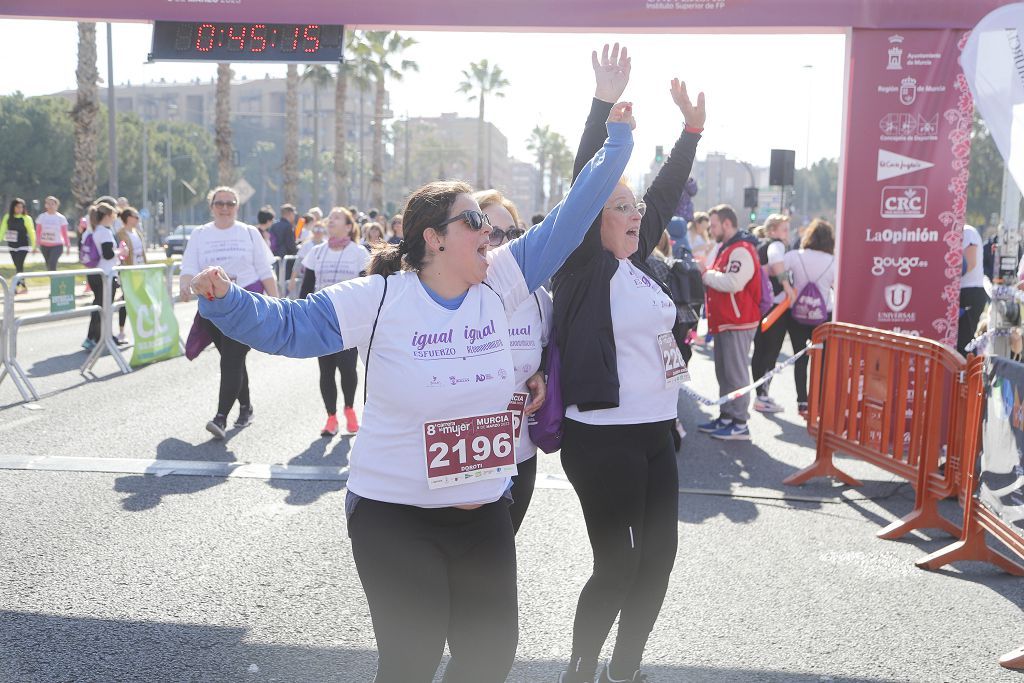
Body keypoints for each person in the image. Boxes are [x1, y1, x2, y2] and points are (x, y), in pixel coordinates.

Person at [189, 100, 633, 683]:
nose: (489, 232)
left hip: (484, 517)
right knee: (411, 663)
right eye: (473, 221)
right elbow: (289, 326)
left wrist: (618, 139)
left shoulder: (501, 281)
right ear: (434, 238)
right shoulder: (378, 299)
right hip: (394, 518)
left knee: (487, 662)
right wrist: (226, 299)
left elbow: (572, 215)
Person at [552, 43, 704, 683]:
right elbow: (586, 181)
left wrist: (691, 132)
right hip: (599, 438)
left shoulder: (642, 266)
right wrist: (601, 107)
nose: (637, 213)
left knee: (659, 560)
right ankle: (581, 666)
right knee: (616, 564)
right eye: (623, 207)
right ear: (596, 218)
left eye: (639, 208)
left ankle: (625, 667)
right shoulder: (582, 265)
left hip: (654, 435)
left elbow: (664, 188)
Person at [474, 187, 549, 533]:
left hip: (519, 452)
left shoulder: (537, 298)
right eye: (494, 233)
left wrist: (542, 373)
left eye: (514, 233)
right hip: (459, 454)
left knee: (500, 554)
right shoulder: (445, 293)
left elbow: (549, 348)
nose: (506, 242)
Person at [179, 187, 279, 439]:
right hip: (213, 307)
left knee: (231, 359)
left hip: (245, 303)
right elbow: (189, 267)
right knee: (233, 359)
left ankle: (221, 417)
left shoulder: (249, 233)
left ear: (237, 206)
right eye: (219, 203)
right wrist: (185, 284)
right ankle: (246, 407)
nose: (225, 207)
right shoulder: (200, 234)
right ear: (211, 206)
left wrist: (276, 303)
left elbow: (264, 270)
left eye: (230, 203)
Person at [299, 207, 370, 436]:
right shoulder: (317, 252)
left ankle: (349, 409)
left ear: (349, 226)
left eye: (337, 218)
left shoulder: (359, 253)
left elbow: (367, 288)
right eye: (330, 218)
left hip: (348, 321)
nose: (331, 221)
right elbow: (306, 288)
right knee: (326, 370)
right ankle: (331, 418)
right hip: (321, 320)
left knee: (348, 368)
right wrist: (303, 318)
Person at [697, 204, 761, 441]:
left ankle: (739, 423)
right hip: (727, 321)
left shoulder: (741, 250)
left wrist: (705, 274)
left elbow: (734, 282)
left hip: (738, 321)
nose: (711, 230)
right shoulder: (728, 248)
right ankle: (726, 417)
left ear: (726, 223)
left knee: (735, 374)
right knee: (724, 373)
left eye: (713, 225)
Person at [782, 218, 836, 415]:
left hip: (796, 314)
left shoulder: (796, 255)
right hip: (823, 316)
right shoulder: (833, 261)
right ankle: (818, 403)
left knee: (800, 359)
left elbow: (774, 267)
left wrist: (786, 286)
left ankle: (802, 402)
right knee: (821, 360)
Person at [750, 213, 791, 414]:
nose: (787, 233)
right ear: (773, 231)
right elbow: (777, 263)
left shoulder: (760, 245)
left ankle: (760, 394)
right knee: (771, 352)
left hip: (760, 305)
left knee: (760, 350)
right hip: (776, 307)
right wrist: (788, 287)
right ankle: (763, 396)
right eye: (784, 229)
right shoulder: (777, 245)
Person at [81, 201, 126, 350]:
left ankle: (95, 336)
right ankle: (97, 337)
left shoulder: (91, 230)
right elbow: (107, 254)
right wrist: (120, 252)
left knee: (99, 305)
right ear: (107, 215)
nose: (115, 218)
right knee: (104, 307)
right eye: (113, 215)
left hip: (94, 273)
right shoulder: (105, 232)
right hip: (105, 274)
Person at [115, 206, 148, 342]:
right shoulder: (120, 234)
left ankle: (140, 330)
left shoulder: (137, 233)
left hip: (140, 271)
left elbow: (142, 253)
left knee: (140, 301)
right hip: (128, 272)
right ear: (128, 218)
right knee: (126, 300)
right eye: (136, 217)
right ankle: (121, 331)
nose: (138, 219)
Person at [958, 223, 989, 357]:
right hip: (960, 293)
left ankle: (967, 376)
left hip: (971, 293)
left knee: (964, 344)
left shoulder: (968, 232)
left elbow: (970, 264)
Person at [1, 198, 36, 293]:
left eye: (21, 207)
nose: (20, 209)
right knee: (17, 266)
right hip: (12, 245)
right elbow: (2, 230)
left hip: (23, 245)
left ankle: (16, 287)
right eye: (17, 207)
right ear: (13, 207)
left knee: (19, 265)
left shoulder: (26, 218)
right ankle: (23, 286)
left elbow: (31, 232)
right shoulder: (7, 217)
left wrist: (34, 246)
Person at [289, 219, 326, 298]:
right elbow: (299, 262)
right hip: (307, 277)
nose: (318, 232)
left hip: (323, 278)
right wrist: (292, 279)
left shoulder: (327, 245)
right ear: (312, 231)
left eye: (320, 229)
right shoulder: (307, 245)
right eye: (316, 229)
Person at [35, 196, 70, 272]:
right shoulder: (41, 217)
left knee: (52, 263)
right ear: (45, 205)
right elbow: (38, 232)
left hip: (57, 246)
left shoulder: (61, 218)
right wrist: (36, 244)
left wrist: (67, 245)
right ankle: (53, 280)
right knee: (48, 265)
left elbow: (64, 233)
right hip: (44, 246)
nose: (50, 206)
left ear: (56, 206)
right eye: (48, 204)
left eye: (52, 204)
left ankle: (55, 281)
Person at [269, 202, 298, 279]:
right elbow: (290, 245)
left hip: (275, 256)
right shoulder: (288, 226)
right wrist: (296, 251)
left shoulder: (274, 225)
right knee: (285, 281)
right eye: (293, 214)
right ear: (289, 213)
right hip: (286, 259)